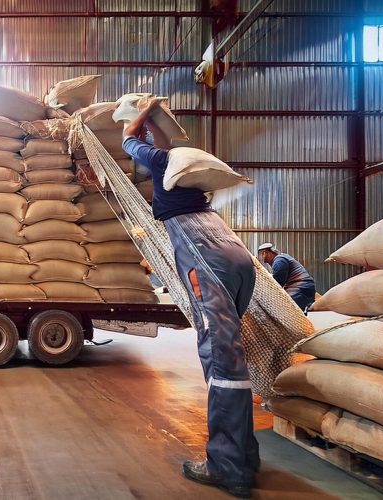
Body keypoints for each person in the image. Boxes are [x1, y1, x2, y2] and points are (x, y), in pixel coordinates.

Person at [122, 101, 258, 498]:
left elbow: (130, 140)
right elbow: (171, 146)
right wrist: (158, 122)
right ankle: (244, 458)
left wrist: (142, 114)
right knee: (231, 358)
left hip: (204, 253)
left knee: (221, 361)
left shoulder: (165, 163)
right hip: (232, 249)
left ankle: (227, 467)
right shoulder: (189, 175)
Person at [257, 243, 315, 311]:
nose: (262, 257)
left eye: (263, 254)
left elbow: (278, 283)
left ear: (267, 253)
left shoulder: (279, 261)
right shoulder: (282, 257)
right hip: (305, 288)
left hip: (301, 289)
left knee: (279, 307)